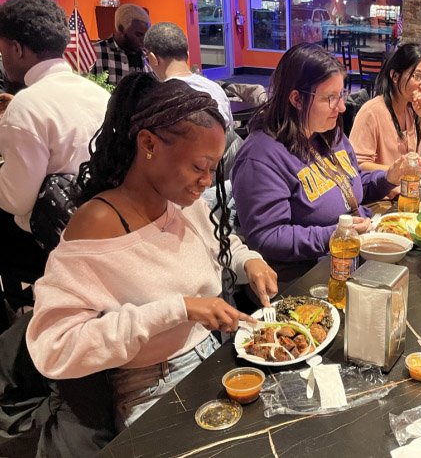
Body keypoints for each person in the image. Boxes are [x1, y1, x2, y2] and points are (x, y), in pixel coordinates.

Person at [26, 74, 278, 431]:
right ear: (148, 144)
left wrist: (248, 261)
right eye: (198, 167)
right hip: (151, 385)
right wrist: (178, 309)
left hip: (211, 355)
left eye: (213, 169)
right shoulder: (98, 222)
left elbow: (219, 243)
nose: (207, 181)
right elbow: (55, 347)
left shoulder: (180, 202)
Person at [231, 43, 406, 281]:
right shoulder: (261, 156)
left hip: (349, 255)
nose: (341, 107)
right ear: (296, 99)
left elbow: (349, 190)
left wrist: (387, 178)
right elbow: (267, 237)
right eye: (330, 98)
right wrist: (335, 235)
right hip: (302, 277)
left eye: (341, 94)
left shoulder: (329, 134)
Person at [0, 0, 110, 283]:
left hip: (55, 243)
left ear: (16, 48)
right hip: (106, 229)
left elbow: (16, 201)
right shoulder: (99, 94)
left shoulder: (26, 106)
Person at [144, 21, 240, 180]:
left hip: (187, 182)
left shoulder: (160, 97)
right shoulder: (215, 88)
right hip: (225, 176)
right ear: (187, 54)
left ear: (153, 59)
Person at [349, 43, 421, 172]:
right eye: (417, 76)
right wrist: (404, 168)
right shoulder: (371, 112)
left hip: (411, 184)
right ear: (395, 76)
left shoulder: (413, 110)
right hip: (384, 186)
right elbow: (357, 166)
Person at [91, 3, 152, 86]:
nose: (144, 40)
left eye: (146, 35)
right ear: (121, 29)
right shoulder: (95, 52)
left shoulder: (149, 56)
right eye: (139, 35)